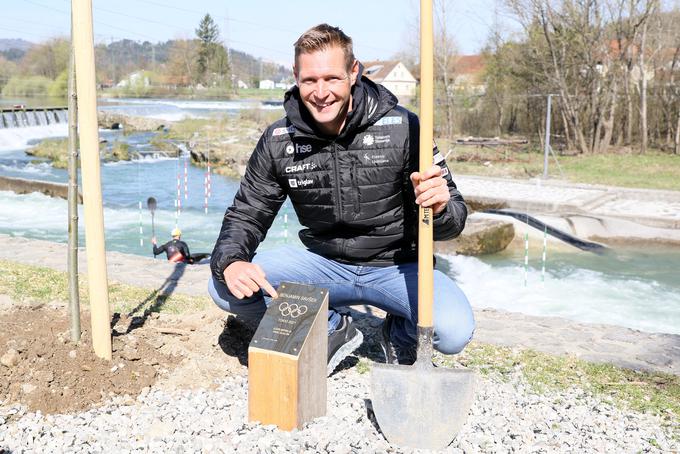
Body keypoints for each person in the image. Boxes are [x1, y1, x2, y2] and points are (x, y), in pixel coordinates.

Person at [209, 24, 475, 375]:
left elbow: (454, 221)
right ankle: (332, 327)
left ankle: (399, 335)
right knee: (224, 285)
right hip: (323, 265)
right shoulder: (278, 140)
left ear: (353, 73)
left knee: (453, 331)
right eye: (310, 81)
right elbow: (247, 214)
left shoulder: (405, 128)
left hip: (397, 267)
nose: (321, 93)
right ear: (295, 76)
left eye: (332, 79)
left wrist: (440, 208)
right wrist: (232, 260)